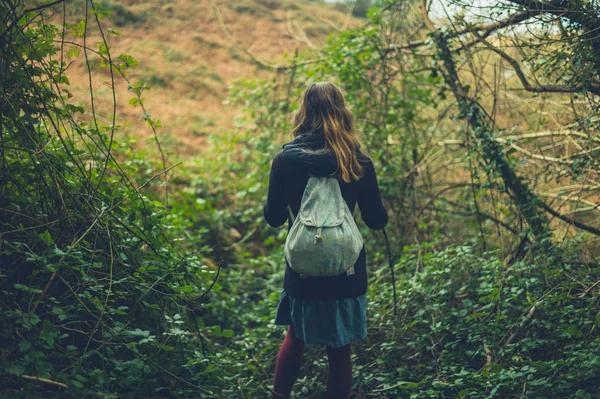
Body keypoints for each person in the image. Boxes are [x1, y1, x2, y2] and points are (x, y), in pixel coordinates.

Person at [264, 82, 388, 399]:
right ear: (342, 111)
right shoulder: (358, 160)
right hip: (346, 269)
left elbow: (275, 218)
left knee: (295, 336)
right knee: (339, 346)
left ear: (304, 112)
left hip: (302, 266)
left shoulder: (285, 160)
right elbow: (376, 220)